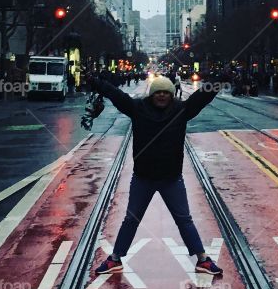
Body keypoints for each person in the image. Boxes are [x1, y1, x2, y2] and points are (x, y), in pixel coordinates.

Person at [87, 73, 223, 277]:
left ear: (171, 94)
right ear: (152, 94)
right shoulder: (137, 108)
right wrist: (97, 82)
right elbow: (116, 95)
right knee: (131, 219)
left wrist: (221, 79)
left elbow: (202, 96)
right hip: (144, 178)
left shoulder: (182, 110)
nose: (161, 95)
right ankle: (115, 258)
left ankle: (202, 259)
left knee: (184, 219)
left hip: (171, 178)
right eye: (157, 92)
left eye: (165, 92)